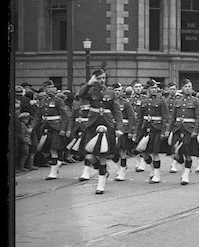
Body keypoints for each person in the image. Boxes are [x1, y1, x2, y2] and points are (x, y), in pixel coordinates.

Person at [76, 64, 123, 194]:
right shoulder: (90, 91)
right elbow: (80, 95)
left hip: (107, 126)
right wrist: (89, 83)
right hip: (92, 126)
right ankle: (101, 169)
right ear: (95, 79)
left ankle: (101, 185)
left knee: (103, 155)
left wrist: (119, 128)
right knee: (89, 155)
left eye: (103, 78)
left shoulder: (111, 93)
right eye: (99, 78)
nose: (102, 80)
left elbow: (117, 112)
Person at [133, 79, 170, 184]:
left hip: (157, 130)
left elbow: (165, 118)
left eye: (155, 88)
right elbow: (139, 118)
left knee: (155, 153)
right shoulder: (143, 101)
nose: (154, 90)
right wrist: (136, 132)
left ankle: (157, 175)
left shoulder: (161, 101)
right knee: (143, 152)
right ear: (148, 89)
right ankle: (152, 169)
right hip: (145, 130)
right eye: (152, 88)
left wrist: (164, 131)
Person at [168, 79, 199, 185]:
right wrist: (168, 130)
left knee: (188, 153)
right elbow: (172, 117)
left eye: (189, 86)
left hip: (189, 130)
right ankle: (185, 168)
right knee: (175, 153)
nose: (187, 88)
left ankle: (186, 175)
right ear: (182, 88)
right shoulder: (177, 101)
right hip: (178, 129)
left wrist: (196, 130)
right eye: (185, 87)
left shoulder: (195, 101)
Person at [33, 80, 69, 180]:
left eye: (52, 87)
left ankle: (53, 172)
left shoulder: (58, 100)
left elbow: (65, 116)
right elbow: (38, 116)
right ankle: (58, 163)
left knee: (54, 148)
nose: (50, 89)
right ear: (45, 89)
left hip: (56, 127)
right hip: (45, 127)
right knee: (48, 148)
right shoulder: (43, 101)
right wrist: (32, 127)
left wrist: (63, 129)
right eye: (48, 87)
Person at [112, 82, 136, 181]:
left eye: (119, 91)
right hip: (111, 128)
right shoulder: (109, 102)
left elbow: (131, 117)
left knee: (122, 151)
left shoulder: (125, 103)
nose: (117, 93)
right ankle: (121, 166)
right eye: (115, 91)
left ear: (122, 92)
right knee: (111, 153)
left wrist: (130, 131)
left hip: (123, 129)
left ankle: (122, 171)